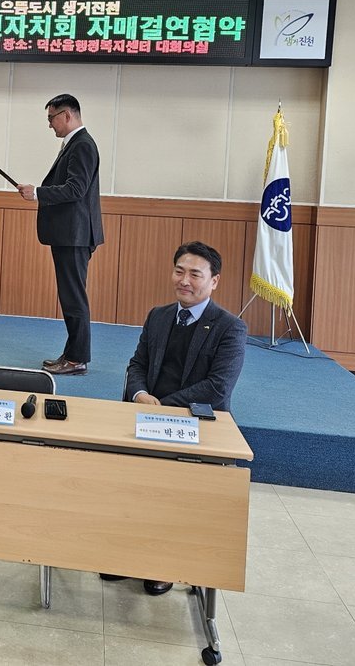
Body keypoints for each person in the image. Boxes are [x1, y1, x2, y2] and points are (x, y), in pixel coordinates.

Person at [108, 240, 247, 595]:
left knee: (174, 494)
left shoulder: (229, 327)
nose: (184, 280)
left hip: (196, 426)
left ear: (214, 281)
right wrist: (140, 395)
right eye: (179, 271)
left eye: (195, 274)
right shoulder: (158, 315)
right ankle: (127, 555)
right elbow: (137, 364)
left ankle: (167, 562)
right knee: (129, 487)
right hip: (147, 415)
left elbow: (217, 387)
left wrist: (163, 407)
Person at [17, 94, 103, 376]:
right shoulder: (76, 144)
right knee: (70, 296)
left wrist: (37, 193)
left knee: (73, 297)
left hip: (75, 235)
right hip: (70, 234)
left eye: (51, 118)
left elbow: (76, 189)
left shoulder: (83, 145)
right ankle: (72, 353)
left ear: (67, 115)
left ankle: (77, 359)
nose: (49, 125)